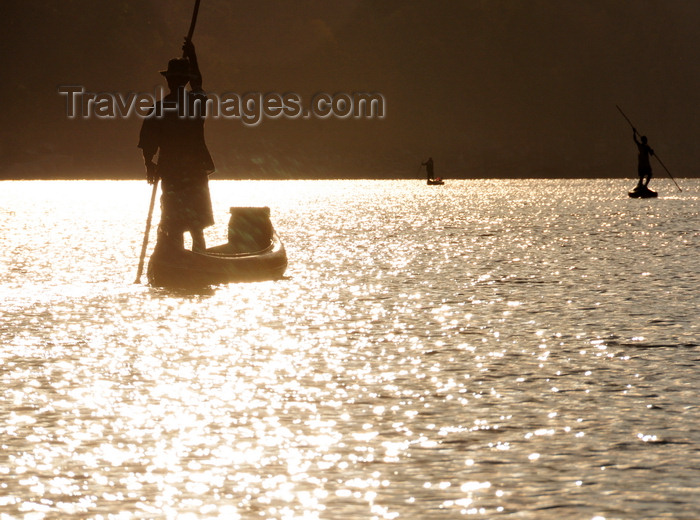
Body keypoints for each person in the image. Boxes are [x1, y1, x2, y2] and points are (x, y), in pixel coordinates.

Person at [138, 38, 215, 252]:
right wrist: (192, 55)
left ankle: (178, 259)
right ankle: (194, 258)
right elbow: (198, 83)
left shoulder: (160, 108)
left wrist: (149, 166)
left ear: (169, 82)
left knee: (174, 223)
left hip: (172, 171)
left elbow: (148, 143)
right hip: (192, 170)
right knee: (195, 226)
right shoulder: (196, 102)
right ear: (185, 81)